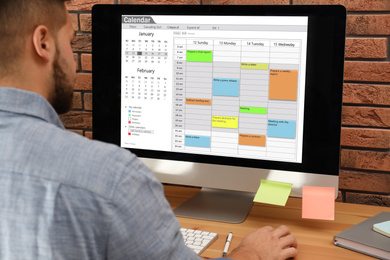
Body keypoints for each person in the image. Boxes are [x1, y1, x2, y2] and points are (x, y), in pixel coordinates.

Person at [0, 0, 298, 259]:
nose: (74, 61)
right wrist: (255, 253)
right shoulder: (112, 179)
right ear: (43, 43)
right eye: (70, 40)